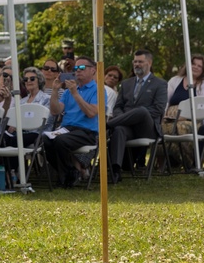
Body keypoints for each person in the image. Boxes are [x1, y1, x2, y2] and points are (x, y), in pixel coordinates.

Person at [107, 49, 167, 184]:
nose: (136, 64)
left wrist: (132, 116)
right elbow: (118, 106)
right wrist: (125, 118)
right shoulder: (127, 83)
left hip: (147, 127)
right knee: (119, 130)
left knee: (142, 111)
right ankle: (116, 170)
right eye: (135, 61)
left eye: (140, 61)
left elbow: (158, 109)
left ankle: (107, 125)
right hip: (128, 128)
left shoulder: (160, 84)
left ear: (149, 63)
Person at [43, 57, 99, 188]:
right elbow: (55, 111)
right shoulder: (68, 91)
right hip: (67, 129)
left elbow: (91, 113)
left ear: (93, 71)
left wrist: (76, 94)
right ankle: (70, 172)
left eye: (82, 68)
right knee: (45, 139)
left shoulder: (97, 90)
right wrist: (55, 90)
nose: (78, 71)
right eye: (76, 68)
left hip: (87, 132)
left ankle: (68, 175)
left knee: (60, 140)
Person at [162, 54, 204, 168]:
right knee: (160, 127)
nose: (195, 67)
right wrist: (164, 115)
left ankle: (189, 162)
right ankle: (169, 160)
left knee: (180, 127)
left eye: (199, 66)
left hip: (195, 119)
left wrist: (186, 117)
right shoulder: (175, 80)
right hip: (170, 118)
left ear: (203, 69)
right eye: (193, 64)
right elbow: (165, 101)